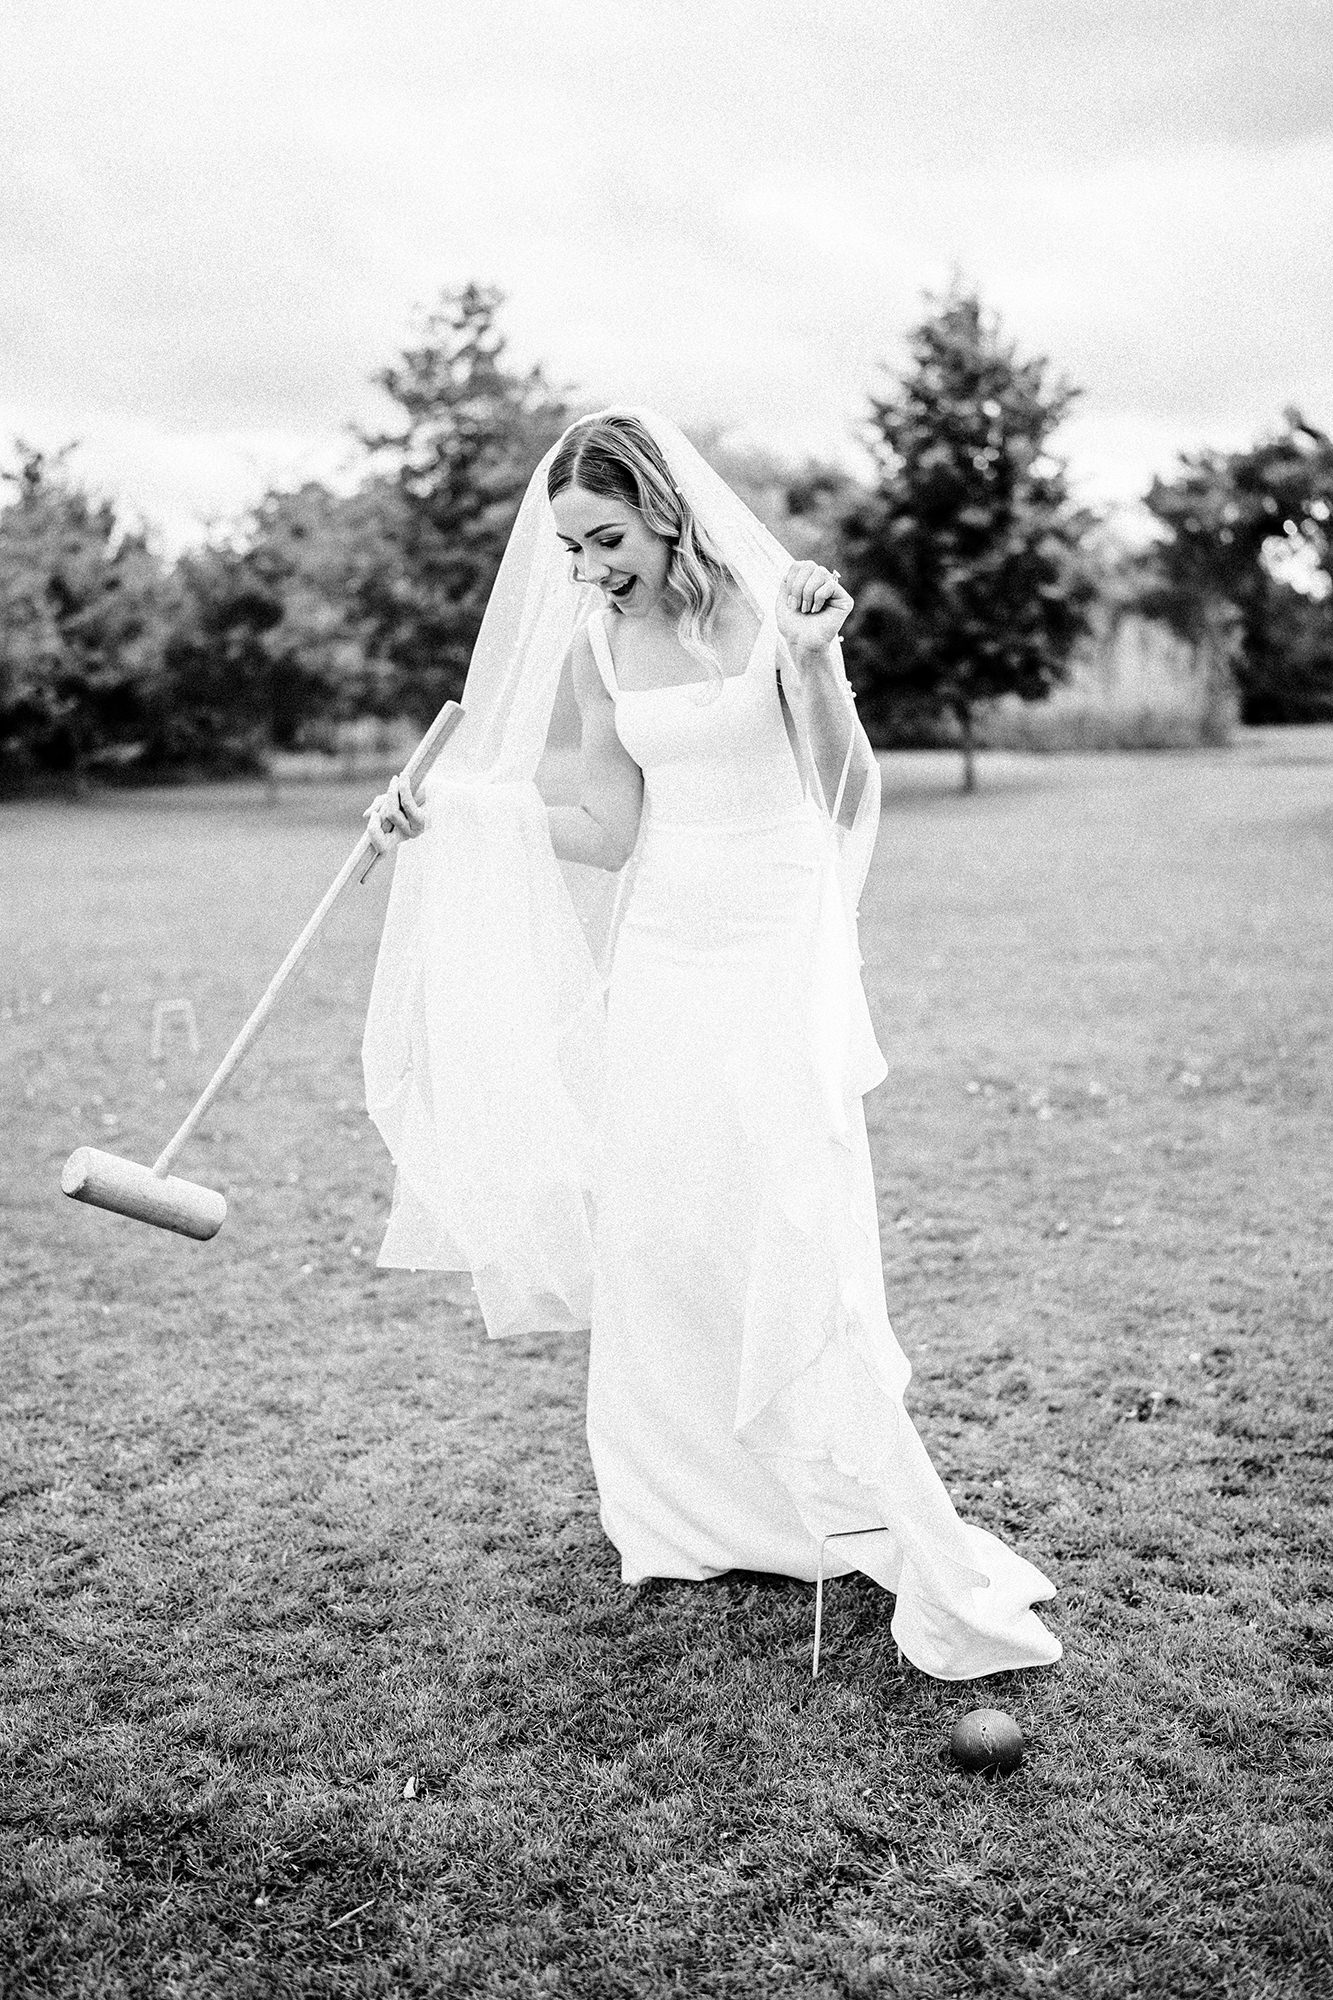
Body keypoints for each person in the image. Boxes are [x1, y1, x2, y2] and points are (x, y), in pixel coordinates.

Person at [362, 407, 1061, 1682]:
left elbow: (844, 792)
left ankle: (827, 1489)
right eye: (572, 546)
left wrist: (812, 663)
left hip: (776, 948)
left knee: (787, 1216)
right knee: (665, 1223)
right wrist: (459, 813)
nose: (591, 567)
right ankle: (692, 1506)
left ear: (666, 507)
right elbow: (607, 824)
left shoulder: (767, 611)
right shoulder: (598, 644)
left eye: (608, 537)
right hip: (669, 955)